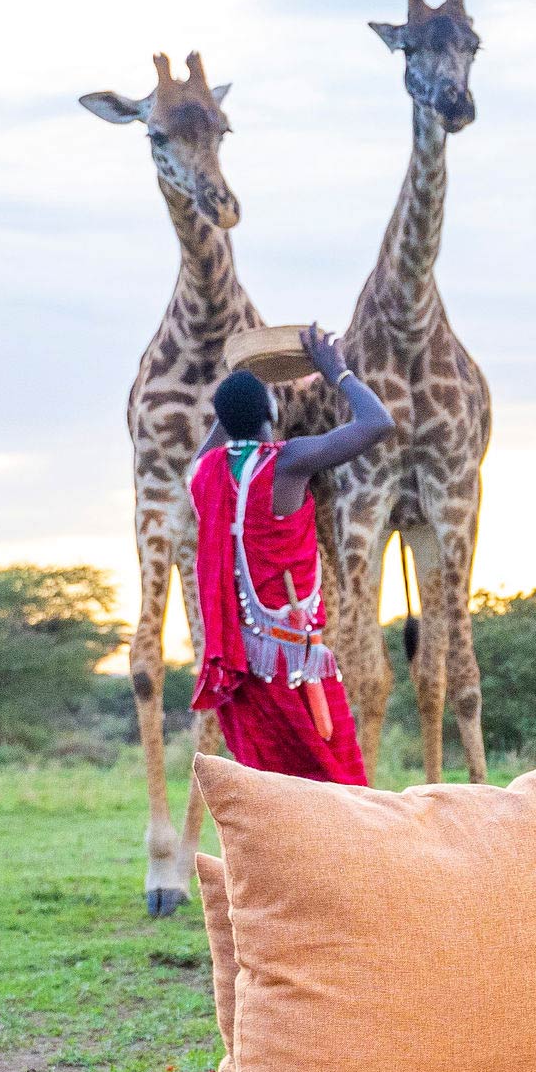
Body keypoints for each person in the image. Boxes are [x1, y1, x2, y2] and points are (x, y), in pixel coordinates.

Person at [191, 325, 390, 784]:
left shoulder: (205, 475)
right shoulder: (286, 463)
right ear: (273, 410)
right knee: (342, 793)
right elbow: (377, 423)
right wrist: (336, 372)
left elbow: (215, 443)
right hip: (295, 666)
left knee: (266, 796)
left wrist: (237, 397)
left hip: (243, 667)